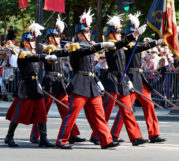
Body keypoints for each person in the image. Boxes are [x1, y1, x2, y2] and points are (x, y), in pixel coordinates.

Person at [53, 9, 119, 149]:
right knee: (72, 115)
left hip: (91, 84)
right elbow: (86, 51)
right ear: (79, 35)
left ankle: (106, 140)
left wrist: (98, 82)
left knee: (99, 115)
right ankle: (62, 140)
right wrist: (100, 45)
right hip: (80, 84)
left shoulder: (89, 46)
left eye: (89, 32)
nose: (89, 34)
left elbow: (90, 66)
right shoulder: (75, 46)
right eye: (87, 32)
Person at [90, 14, 148, 146]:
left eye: (120, 32)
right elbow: (122, 42)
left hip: (122, 78)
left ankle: (136, 137)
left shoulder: (120, 46)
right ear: (111, 35)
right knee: (106, 110)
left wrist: (128, 80)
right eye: (117, 32)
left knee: (127, 110)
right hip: (111, 79)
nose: (119, 34)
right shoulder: (111, 45)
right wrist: (135, 34)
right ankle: (97, 135)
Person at [110, 13, 166, 144]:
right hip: (130, 79)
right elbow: (140, 47)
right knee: (126, 108)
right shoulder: (127, 46)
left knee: (149, 105)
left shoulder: (135, 45)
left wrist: (155, 42)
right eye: (134, 35)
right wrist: (155, 42)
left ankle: (154, 134)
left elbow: (140, 47)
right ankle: (114, 133)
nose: (136, 38)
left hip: (140, 78)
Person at [30, 17, 85, 146]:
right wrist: (69, 49)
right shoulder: (49, 48)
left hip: (59, 81)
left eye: (59, 36)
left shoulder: (56, 47)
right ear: (50, 38)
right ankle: (34, 135)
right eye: (57, 37)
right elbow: (59, 52)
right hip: (50, 81)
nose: (59, 38)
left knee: (66, 109)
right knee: (43, 110)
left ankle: (72, 133)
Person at [4, 23, 54, 148]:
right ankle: (9, 136)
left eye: (33, 40)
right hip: (25, 87)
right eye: (30, 40)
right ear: (25, 43)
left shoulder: (31, 52)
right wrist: (45, 56)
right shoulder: (23, 54)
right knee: (19, 113)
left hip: (36, 86)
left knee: (41, 113)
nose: (33, 42)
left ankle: (43, 138)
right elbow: (34, 58)